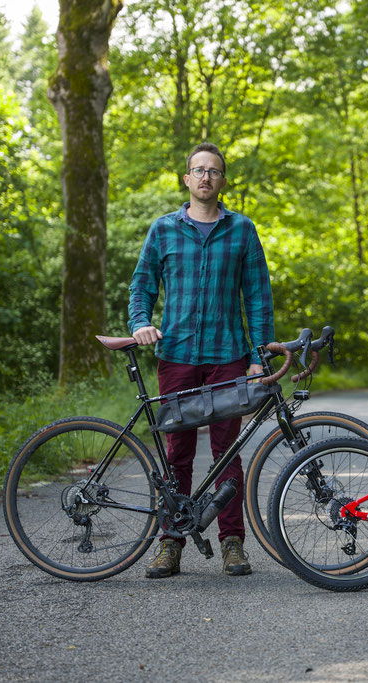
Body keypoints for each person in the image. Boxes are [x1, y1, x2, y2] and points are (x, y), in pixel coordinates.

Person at [128, 142, 274, 579]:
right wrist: (140, 322)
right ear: (187, 180)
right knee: (178, 452)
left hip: (228, 357)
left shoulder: (242, 230)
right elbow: (141, 287)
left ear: (222, 181)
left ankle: (232, 542)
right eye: (199, 170)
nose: (206, 177)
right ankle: (169, 543)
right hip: (176, 356)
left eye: (214, 171)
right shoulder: (163, 229)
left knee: (227, 452)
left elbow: (259, 299)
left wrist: (258, 357)